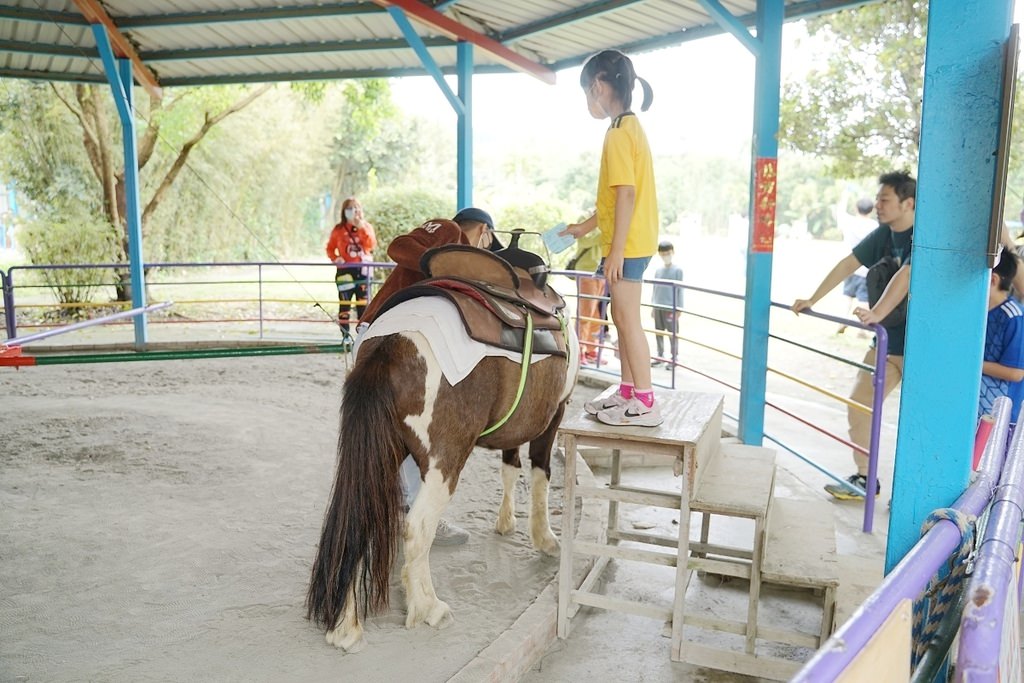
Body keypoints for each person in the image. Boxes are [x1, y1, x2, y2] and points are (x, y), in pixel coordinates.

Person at [356, 210, 497, 546]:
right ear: (483, 230)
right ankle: (416, 513)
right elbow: (400, 246)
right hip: (390, 334)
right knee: (425, 433)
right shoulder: (448, 231)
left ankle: (398, 514)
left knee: (400, 432)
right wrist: (444, 263)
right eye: (488, 239)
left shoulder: (462, 258)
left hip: (398, 338)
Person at [792, 171, 916, 500]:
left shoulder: (925, 236)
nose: (877, 204)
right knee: (859, 403)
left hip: (924, 348)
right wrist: (813, 299)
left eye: (885, 199)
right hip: (888, 343)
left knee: (918, 422)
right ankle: (865, 478)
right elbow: (849, 263)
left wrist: (877, 314)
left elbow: (906, 275)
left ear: (909, 203)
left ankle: (913, 493)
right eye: (877, 199)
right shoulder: (884, 235)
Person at [561, 49, 661, 428]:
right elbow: (612, 198)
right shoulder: (628, 127)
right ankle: (628, 390)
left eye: (587, 92)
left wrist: (615, 251)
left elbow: (626, 194)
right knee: (620, 316)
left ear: (598, 87)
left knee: (627, 318)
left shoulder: (618, 134)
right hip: (634, 239)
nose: (588, 100)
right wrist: (583, 228)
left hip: (629, 244)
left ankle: (646, 401)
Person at [980, 248, 1024, 422]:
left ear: (992, 280)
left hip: (1000, 417)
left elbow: (1016, 373)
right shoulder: (977, 312)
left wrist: (971, 364)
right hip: (976, 408)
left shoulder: (1014, 317)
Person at [325, 197, 376, 339]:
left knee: (363, 305)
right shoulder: (338, 229)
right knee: (345, 303)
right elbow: (330, 248)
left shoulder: (366, 227)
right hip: (345, 271)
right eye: (349, 208)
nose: (353, 211)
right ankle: (345, 335)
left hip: (363, 271)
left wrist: (361, 228)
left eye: (355, 207)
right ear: (344, 211)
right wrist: (336, 259)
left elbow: (371, 245)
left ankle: (362, 336)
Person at [835, 196, 876, 334]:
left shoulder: (849, 222)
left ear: (856, 208)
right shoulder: (874, 226)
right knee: (863, 298)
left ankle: (842, 321)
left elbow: (839, 211)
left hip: (849, 267)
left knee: (847, 296)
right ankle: (862, 329)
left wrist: (845, 194)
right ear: (871, 210)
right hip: (866, 269)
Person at [570, 228, 605, 365]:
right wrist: (603, 230)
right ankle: (579, 351)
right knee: (585, 314)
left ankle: (591, 349)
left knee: (596, 315)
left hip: (601, 273)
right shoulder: (586, 220)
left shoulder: (605, 223)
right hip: (586, 272)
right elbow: (584, 241)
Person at [651, 241, 683, 367]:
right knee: (659, 332)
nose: (666, 256)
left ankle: (674, 358)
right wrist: (653, 306)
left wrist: (679, 308)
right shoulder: (658, 271)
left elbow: (680, 290)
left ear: (672, 252)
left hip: (671, 307)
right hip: (658, 305)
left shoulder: (677, 270)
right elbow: (655, 289)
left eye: (668, 253)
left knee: (672, 333)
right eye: (663, 254)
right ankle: (660, 355)